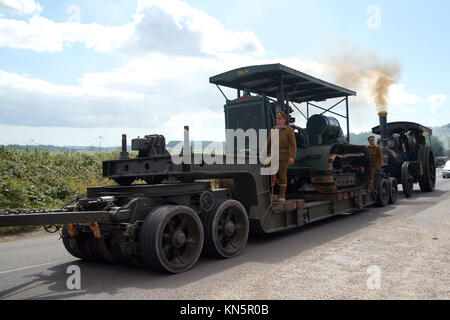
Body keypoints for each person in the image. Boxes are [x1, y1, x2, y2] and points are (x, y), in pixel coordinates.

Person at [264, 111, 297, 201]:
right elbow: (268, 143)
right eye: (277, 119)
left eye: (280, 119)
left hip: (284, 155)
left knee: (282, 176)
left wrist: (292, 156)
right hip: (273, 155)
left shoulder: (289, 130)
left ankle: (282, 196)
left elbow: (293, 144)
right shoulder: (273, 130)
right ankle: (270, 193)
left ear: (284, 120)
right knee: (268, 172)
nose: (278, 120)